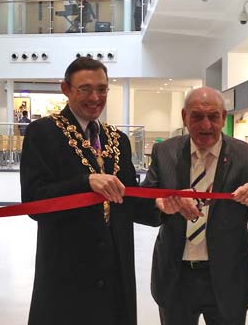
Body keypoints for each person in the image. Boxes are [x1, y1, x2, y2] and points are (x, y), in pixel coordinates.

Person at [20, 57, 160, 325]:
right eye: (84, 89)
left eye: (102, 89)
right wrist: (86, 182)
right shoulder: (44, 133)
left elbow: (128, 199)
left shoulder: (118, 140)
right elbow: (34, 203)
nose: (95, 97)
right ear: (66, 88)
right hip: (67, 270)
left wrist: (161, 207)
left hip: (115, 272)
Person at [142, 86, 248, 325]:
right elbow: (142, 205)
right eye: (197, 116)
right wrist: (160, 204)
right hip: (175, 277)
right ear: (184, 117)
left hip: (227, 279)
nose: (206, 125)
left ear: (223, 117)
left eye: (213, 117)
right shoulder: (165, 152)